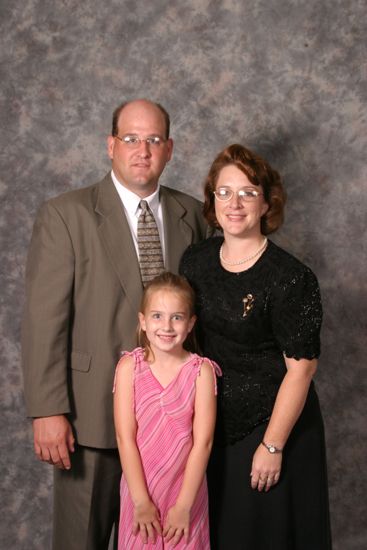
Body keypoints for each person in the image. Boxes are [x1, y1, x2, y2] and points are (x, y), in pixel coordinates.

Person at [21, 99, 208, 550]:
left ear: (169, 150)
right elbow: (44, 319)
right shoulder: (66, 215)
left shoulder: (196, 216)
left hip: (174, 425)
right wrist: (48, 408)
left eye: (153, 140)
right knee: (81, 539)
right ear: (110, 145)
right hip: (93, 417)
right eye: (130, 139)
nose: (141, 150)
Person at [180, 144, 332, 550]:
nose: (235, 203)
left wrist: (272, 445)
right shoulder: (195, 261)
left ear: (266, 203)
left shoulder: (291, 278)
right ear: (212, 200)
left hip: (273, 426)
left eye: (248, 192)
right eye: (224, 192)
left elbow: (301, 371)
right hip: (212, 424)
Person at [113, 272, 221, 549]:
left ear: (190, 324)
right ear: (143, 322)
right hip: (140, 491)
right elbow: (125, 439)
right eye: (157, 316)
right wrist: (141, 501)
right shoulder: (129, 368)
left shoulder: (201, 372)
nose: (167, 326)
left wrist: (185, 505)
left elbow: (203, 444)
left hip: (186, 491)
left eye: (177, 317)